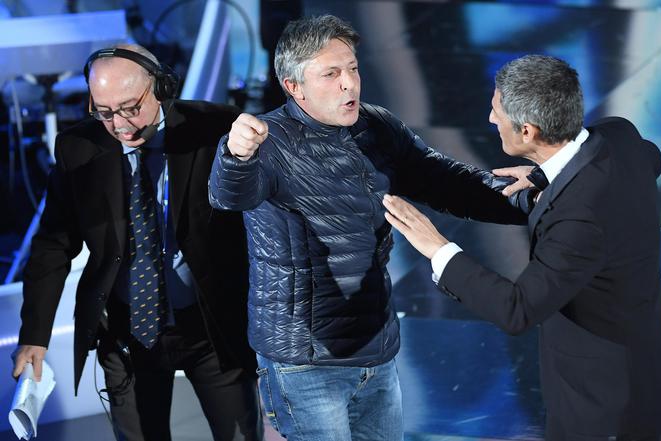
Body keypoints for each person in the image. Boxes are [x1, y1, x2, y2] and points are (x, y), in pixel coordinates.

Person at [208, 14, 532, 441]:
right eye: (331, 74)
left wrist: (528, 198)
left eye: (353, 68)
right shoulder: (268, 144)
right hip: (307, 363)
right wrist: (235, 156)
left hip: (376, 348)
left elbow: (446, 181)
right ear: (294, 86)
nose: (349, 84)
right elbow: (229, 196)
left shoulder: (377, 126)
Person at [382, 54, 661, 440]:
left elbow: (518, 309)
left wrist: (437, 247)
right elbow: (650, 159)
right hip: (651, 375)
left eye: (496, 112)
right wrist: (549, 176)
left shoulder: (579, 220)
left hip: (605, 409)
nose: (491, 119)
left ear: (527, 131)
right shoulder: (619, 136)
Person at [11, 44, 263, 441]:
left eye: (130, 108)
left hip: (211, 328)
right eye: (104, 111)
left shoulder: (216, 127)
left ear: (161, 88)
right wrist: (34, 334)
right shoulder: (77, 147)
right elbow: (53, 244)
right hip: (126, 333)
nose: (119, 125)